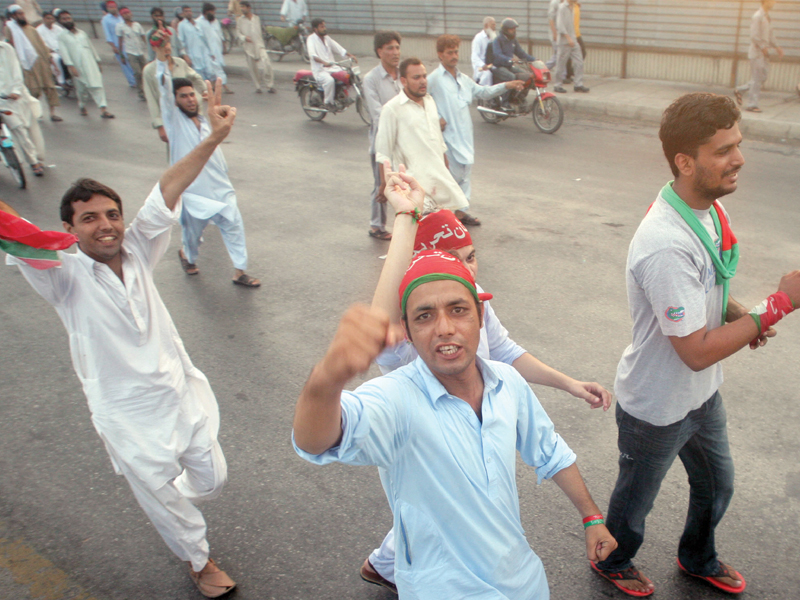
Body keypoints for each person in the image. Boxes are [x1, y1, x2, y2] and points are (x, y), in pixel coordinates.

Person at [292, 166, 618, 598]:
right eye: (425, 316)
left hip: (522, 583)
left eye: (459, 309)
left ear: (480, 315)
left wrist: (592, 516)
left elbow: (550, 450)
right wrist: (326, 379)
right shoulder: (397, 401)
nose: (445, 327)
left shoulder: (505, 385)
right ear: (405, 329)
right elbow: (317, 440)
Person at [0, 77, 239, 599]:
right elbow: (13, 231)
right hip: (126, 414)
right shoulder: (59, 273)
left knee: (213, 480)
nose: (105, 226)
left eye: (111, 214)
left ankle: (180, 502)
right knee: (161, 499)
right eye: (89, 219)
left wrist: (212, 137)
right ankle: (198, 561)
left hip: (178, 395)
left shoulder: (137, 249)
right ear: (70, 227)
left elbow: (168, 189)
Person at [592, 92, 800, 597]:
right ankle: (614, 559)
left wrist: (738, 314)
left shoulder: (702, 209)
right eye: (723, 150)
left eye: (738, 145)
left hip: (701, 395)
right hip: (657, 404)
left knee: (717, 484)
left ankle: (697, 556)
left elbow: (709, 282)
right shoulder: (664, 241)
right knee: (636, 500)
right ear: (685, 161)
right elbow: (696, 350)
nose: (739, 159)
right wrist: (778, 305)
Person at [155, 31, 260, 287]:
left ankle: (239, 271)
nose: (190, 99)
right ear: (175, 100)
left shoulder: (206, 120)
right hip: (193, 191)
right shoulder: (174, 121)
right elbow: (163, 89)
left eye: (192, 95)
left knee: (234, 224)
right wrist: (162, 56)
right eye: (184, 96)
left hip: (220, 187)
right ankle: (187, 256)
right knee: (192, 236)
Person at [428, 34, 524, 228]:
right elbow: (422, 101)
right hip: (447, 140)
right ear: (440, 54)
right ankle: (443, 222)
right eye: (449, 52)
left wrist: (507, 85)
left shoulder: (463, 79)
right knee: (450, 181)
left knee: (465, 178)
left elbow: (483, 92)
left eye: (456, 51)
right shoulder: (434, 79)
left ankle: (461, 216)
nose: (454, 56)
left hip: (465, 137)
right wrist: (435, 117)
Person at [374, 58, 470, 223]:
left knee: (444, 231)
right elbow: (383, 151)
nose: (423, 81)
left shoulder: (429, 101)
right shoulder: (392, 109)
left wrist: (445, 165)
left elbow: (438, 139)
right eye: (416, 77)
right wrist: (384, 185)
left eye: (424, 76)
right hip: (413, 183)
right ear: (403, 81)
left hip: (438, 180)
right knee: (421, 231)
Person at [363, 30, 402, 241]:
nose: (395, 52)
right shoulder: (371, 79)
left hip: (403, 140)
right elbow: (378, 114)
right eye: (390, 48)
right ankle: (376, 225)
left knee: (402, 181)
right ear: (380, 51)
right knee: (382, 183)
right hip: (381, 140)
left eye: (397, 47)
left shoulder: (401, 77)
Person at [143, 27, 204, 143]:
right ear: (154, 47)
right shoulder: (149, 71)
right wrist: (160, 126)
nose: (166, 47)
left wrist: (204, 91)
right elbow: (151, 99)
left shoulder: (180, 63)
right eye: (161, 44)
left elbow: (195, 78)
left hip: (190, 115)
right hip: (171, 119)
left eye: (168, 43)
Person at [4, 4, 61, 121]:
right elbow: (9, 45)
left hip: (41, 62)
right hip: (27, 65)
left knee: (49, 87)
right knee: (34, 90)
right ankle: (34, 112)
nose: (22, 16)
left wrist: (51, 61)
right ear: (13, 16)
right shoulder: (10, 28)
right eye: (19, 14)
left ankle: (52, 113)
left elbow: (42, 45)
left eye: (22, 13)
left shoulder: (31, 29)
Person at [57, 10, 114, 118]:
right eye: (64, 19)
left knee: (97, 86)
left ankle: (103, 109)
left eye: (68, 18)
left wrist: (98, 62)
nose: (67, 20)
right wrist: (70, 66)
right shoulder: (62, 36)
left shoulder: (82, 33)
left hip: (90, 63)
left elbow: (91, 47)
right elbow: (64, 52)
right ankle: (82, 105)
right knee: (82, 90)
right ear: (60, 21)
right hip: (77, 66)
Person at [0, 40, 45, 176]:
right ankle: (25, 160)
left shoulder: (5, 48)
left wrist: (16, 91)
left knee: (22, 131)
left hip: (13, 97)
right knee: (15, 129)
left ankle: (33, 161)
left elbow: (16, 70)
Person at [734, 0, 782, 113]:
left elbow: (770, 34)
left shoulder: (766, 16)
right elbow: (754, 35)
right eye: (772, 1)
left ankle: (740, 90)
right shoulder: (757, 16)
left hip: (764, 53)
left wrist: (777, 47)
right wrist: (762, 47)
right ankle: (752, 104)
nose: (774, 3)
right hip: (756, 52)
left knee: (762, 77)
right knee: (757, 79)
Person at [306, 18, 357, 109]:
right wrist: (324, 62)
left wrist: (350, 56)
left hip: (332, 67)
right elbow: (312, 55)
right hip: (320, 70)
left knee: (347, 75)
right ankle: (328, 102)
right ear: (315, 29)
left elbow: (338, 48)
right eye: (322, 27)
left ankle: (344, 96)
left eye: (324, 26)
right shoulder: (311, 39)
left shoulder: (327, 38)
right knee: (329, 81)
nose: (324, 28)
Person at [491, 18, 536, 106]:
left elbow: (521, 53)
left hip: (509, 66)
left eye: (514, 29)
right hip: (498, 67)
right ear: (505, 30)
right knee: (511, 77)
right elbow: (497, 55)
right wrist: (509, 59)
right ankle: (504, 102)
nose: (514, 31)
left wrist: (534, 60)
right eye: (511, 29)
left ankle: (519, 98)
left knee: (528, 77)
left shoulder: (513, 40)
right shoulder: (498, 40)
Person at [236, 1, 274, 94]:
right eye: (241, 7)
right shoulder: (240, 20)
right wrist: (244, 38)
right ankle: (258, 87)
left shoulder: (256, 18)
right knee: (253, 68)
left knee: (267, 64)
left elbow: (259, 33)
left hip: (259, 45)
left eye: (244, 7)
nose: (242, 9)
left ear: (249, 8)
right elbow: (238, 33)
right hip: (248, 47)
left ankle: (269, 86)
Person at [553, 0, 589, 93]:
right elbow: (560, 25)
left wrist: (572, 38)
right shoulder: (562, 8)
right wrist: (568, 38)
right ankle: (557, 85)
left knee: (579, 61)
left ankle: (578, 84)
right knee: (561, 63)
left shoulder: (573, 6)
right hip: (564, 41)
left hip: (573, 39)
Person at [197, 3, 232, 94]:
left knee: (218, 68)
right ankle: (218, 87)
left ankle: (217, 87)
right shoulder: (199, 22)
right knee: (211, 70)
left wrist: (224, 46)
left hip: (217, 48)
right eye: (212, 12)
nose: (213, 13)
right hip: (206, 51)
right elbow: (201, 38)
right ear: (207, 11)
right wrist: (208, 51)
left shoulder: (214, 21)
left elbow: (220, 34)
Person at [101, 0, 136, 87]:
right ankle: (132, 82)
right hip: (118, 45)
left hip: (129, 43)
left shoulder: (121, 16)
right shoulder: (105, 19)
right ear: (107, 9)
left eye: (114, 7)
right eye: (110, 7)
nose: (113, 9)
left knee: (133, 62)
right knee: (125, 64)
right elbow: (108, 34)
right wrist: (113, 46)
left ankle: (138, 79)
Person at [115, 7, 147, 99]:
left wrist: (149, 48)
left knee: (145, 72)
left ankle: (147, 90)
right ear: (121, 15)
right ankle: (141, 92)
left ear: (131, 14)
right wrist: (121, 55)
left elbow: (143, 37)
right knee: (137, 72)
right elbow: (120, 42)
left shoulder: (137, 25)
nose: (127, 15)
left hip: (140, 51)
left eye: (128, 13)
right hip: (130, 52)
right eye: (124, 14)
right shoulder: (120, 26)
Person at [178, 5, 213, 81]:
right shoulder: (182, 25)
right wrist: (185, 56)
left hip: (204, 52)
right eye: (186, 11)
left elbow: (205, 38)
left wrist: (211, 52)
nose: (188, 13)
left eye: (189, 11)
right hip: (193, 54)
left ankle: (209, 89)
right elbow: (181, 41)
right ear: (182, 13)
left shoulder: (198, 23)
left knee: (210, 72)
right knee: (198, 75)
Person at [36, 10, 65, 85]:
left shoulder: (57, 28)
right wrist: (49, 50)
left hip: (60, 50)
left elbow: (63, 38)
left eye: (51, 18)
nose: (50, 20)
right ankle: (60, 81)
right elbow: (41, 44)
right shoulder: (39, 30)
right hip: (49, 52)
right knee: (56, 59)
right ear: (44, 19)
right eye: (48, 18)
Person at [470, 16, 495, 86]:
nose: (494, 27)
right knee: (487, 74)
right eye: (492, 25)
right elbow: (474, 56)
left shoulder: (493, 38)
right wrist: (483, 65)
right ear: (486, 25)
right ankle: (485, 95)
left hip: (491, 65)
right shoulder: (478, 38)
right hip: (481, 67)